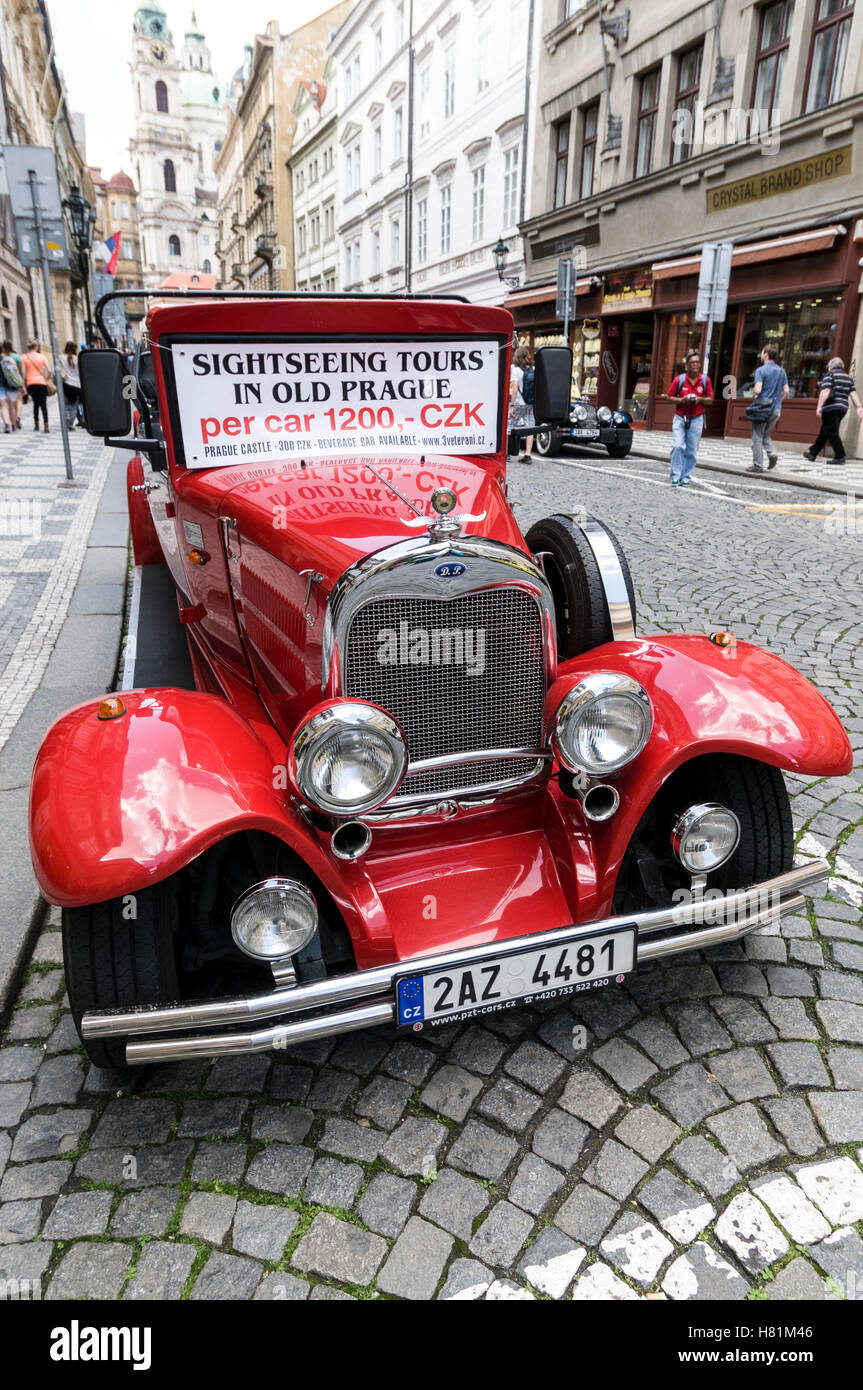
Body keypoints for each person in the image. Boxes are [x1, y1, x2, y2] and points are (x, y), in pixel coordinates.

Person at [663, 348, 713, 486]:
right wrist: (682, 400)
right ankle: (675, 475)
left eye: (697, 362)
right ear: (687, 365)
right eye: (692, 362)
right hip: (680, 417)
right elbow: (669, 397)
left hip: (697, 418)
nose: (695, 365)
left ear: (700, 365)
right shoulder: (679, 380)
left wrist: (700, 399)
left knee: (691, 450)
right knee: (677, 446)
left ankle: (686, 476)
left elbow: (710, 400)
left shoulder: (705, 380)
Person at [803, 357, 863, 466]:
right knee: (825, 431)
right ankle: (813, 453)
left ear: (831, 367)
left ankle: (840, 456)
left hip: (831, 407)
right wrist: (859, 407)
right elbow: (853, 394)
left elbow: (825, 391)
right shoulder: (848, 378)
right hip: (842, 408)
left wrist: (819, 407)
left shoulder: (830, 375)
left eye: (828, 367)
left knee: (831, 432)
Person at [746, 344, 789, 472]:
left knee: (757, 436)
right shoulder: (782, 371)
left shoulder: (761, 370)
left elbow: (758, 390)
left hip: (762, 409)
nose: (761, 355)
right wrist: (778, 402)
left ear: (766, 354)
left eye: (762, 352)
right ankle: (772, 453)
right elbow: (786, 390)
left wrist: (754, 390)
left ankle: (758, 465)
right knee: (765, 434)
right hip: (776, 409)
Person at [509, 344, 535, 464]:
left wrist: (512, 405)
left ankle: (507, 453)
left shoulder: (516, 370)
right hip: (530, 402)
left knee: (509, 425)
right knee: (530, 427)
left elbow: (514, 388)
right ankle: (528, 455)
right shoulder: (533, 369)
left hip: (519, 402)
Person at [22, 339, 52, 432]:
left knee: (35, 404)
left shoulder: (24, 357)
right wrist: (46, 379)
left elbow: (23, 373)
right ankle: (46, 426)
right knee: (43, 405)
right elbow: (49, 371)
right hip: (41, 383)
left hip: (31, 383)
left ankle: (36, 425)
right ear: (36, 347)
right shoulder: (42, 357)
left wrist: (23, 385)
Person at [0, 340, 24, 433]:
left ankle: (6, 425)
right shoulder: (9, 359)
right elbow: (16, 372)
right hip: (11, 386)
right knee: (12, 407)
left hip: (0, 386)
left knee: (3, 406)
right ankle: (14, 426)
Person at [58, 341, 82, 431]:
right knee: (74, 406)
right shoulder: (77, 359)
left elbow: (56, 370)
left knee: (64, 405)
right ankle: (71, 423)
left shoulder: (60, 357)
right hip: (77, 385)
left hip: (65, 384)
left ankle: (66, 420)